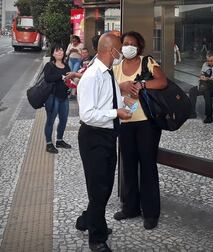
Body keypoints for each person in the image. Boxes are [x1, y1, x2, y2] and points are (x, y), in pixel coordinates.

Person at [76, 33, 134, 252]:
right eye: (120, 49)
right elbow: (88, 114)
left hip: (108, 136)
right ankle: (97, 239)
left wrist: (125, 101)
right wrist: (115, 112)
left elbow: (109, 99)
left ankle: (87, 221)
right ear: (111, 51)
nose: (122, 53)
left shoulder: (108, 73)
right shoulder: (92, 76)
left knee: (103, 187)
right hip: (93, 137)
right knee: (99, 189)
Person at [112, 31, 167, 230]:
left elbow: (162, 82)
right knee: (128, 165)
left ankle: (151, 212)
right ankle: (130, 207)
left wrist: (142, 84)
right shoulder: (116, 66)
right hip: (125, 122)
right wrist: (123, 85)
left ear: (139, 46)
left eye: (132, 44)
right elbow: (110, 89)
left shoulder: (147, 62)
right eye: (125, 43)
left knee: (147, 166)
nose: (128, 46)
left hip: (146, 124)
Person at [43, 44, 75, 154]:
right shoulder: (49, 65)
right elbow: (47, 78)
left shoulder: (66, 66)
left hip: (64, 97)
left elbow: (69, 79)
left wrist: (70, 84)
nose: (60, 52)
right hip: (52, 97)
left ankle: (59, 140)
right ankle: (49, 143)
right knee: (50, 121)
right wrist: (60, 77)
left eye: (61, 50)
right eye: (57, 51)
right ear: (53, 54)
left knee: (64, 120)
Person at [188, 51, 213, 124]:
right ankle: (192, 113)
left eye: (211, 61)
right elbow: (202, 74)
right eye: (208, 60)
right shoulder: (205, 65)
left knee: (207, 92)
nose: (209, 62)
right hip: (206, 85)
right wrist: (201, 77)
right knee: (192, 91)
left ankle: (209, 116)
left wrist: (210, 79)